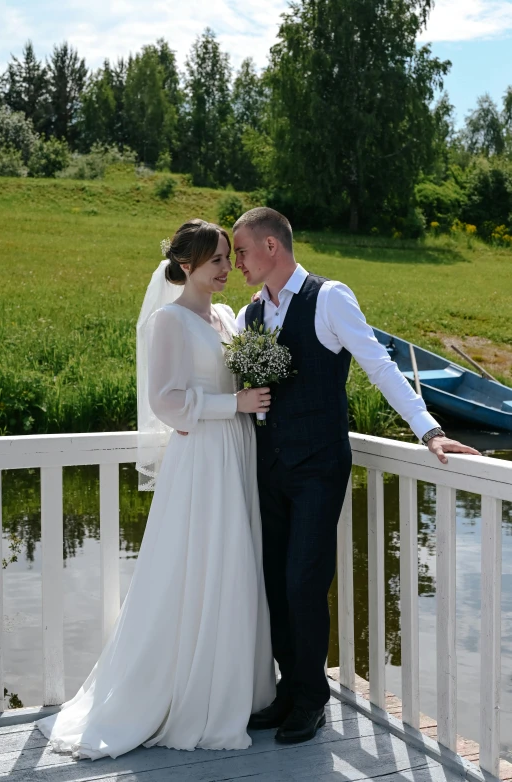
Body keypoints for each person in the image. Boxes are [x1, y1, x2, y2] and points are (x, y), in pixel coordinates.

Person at [233, 207, 479, 745]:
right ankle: (289, 693)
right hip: (269, 466)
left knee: (304, 580)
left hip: (319, 466)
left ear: (272, 247)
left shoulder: (329, 297)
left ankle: (313, 700)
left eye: (243, 251)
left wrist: (428, 430)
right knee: (275, 581)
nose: (238, 263)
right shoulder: (251, 315)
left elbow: (379, 363)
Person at [35, 219, 276, 760]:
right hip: (203, 456)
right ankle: (186, 696)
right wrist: (230, 405)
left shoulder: (228, 317)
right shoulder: (170, 321)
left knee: (239, 562)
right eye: (215, 260)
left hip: (236, 451)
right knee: (200, 564)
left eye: (225, 259)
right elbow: (165, 402)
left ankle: (242, 690)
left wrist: (252, 393)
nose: (225, 270)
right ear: (186, 265)